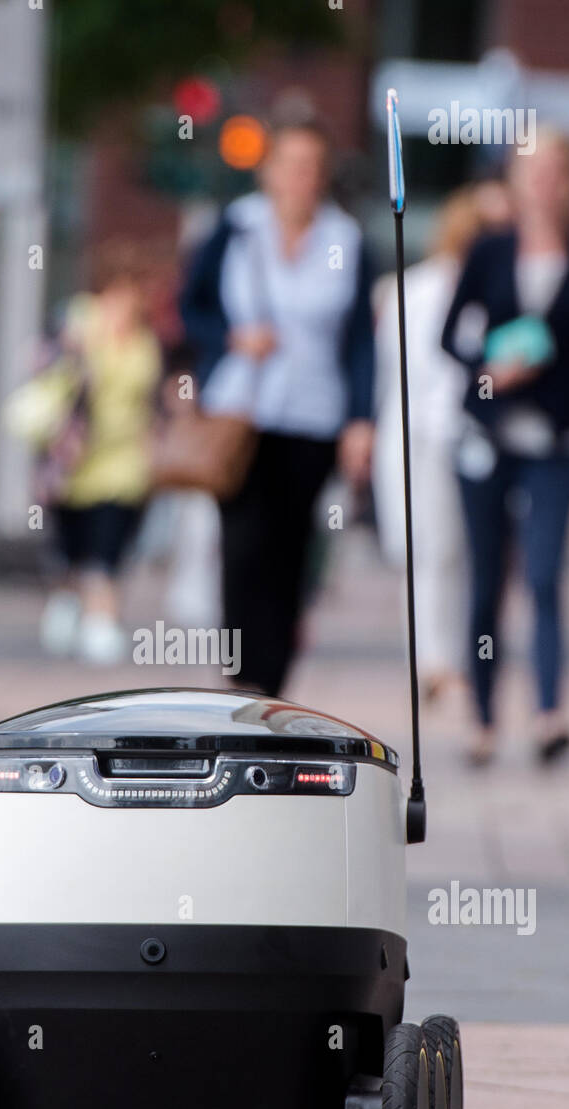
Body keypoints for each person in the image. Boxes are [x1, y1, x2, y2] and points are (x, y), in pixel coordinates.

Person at [180, 117, 375, 696]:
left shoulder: (346, 240)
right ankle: (241, 675)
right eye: (290, 166)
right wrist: (231, 339)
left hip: (313, 415)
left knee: (292, 550)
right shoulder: (237, 228)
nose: (300, 178)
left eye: (311, 168)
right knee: (241, 546)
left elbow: (361, 337)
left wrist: (362, 418)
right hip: (241, 411)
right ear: (268, 172)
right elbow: (191, 307)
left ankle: (272, 681)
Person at [441, 131, 569, 765]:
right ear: (513, 178)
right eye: (531, 168)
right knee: (486, 581)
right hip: (486, 436)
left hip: (556, 442)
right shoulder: (488, 252)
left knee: (543, 575)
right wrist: (491, 366)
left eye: (555, 169)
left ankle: (548, 714)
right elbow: (448, 337)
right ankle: (483, 719)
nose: (543, 181)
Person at [373, 186, 501, 701]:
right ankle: (433, 659)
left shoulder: (490, 289)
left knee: (455, 553)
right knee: (430, 549)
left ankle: (445, 657)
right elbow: (405, 371)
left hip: (465, 435)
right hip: (425, 433)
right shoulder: (418, 289)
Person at [40, 242, 162, 665]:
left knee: (109, 547)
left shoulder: (144, 340)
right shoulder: (79, 322)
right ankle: (69, 605)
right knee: (74, 548)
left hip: (124, 462)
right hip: (75, 459)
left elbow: (149, 399)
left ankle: (101, 622)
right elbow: (50, 372)